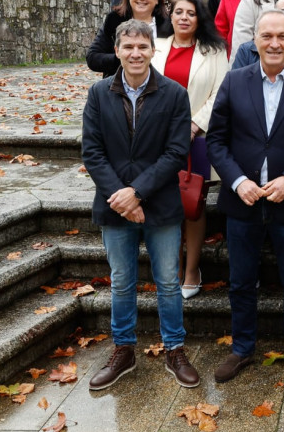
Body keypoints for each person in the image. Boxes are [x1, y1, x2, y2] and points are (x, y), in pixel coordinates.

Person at [206, 10, 284, 388]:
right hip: (242, 201)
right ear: (255, 41)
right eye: (267, 36)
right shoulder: (234, 81)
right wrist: (237, 180)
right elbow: (216, 140)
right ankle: (242, 348)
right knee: (241, 282)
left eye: (282, 36)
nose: (275, 43)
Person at [82, 19, 200, 390]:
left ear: (153, 50)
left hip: (160, 205)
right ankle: (124, 349)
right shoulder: (98, 93)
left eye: (142, 47)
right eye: (128, 47)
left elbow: (177, 152)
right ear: (116, 51)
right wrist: (121, 196)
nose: (135, 53)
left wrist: (138, 193)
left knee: (167, 281)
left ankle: (175, 348)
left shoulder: (174, 94)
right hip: (114, 204)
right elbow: (93, 151)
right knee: (121, 282)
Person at [150, 0, 229, 300]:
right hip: (158, 137)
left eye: (191, 13)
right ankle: (170, 269)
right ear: (171, 16)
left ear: (200, 19)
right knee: (166, 205)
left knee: (192, 205)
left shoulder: (214, 50)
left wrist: (195, 124)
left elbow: (220, 93)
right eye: (178, 12)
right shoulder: (156, 47)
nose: (184, 17)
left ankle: (192, 269)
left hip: (197, 137)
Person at [87, 0, 172, 77]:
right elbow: (93, 58)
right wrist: (124, 58)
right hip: (120, 86)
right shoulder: (115, 21)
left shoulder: (169, 25)